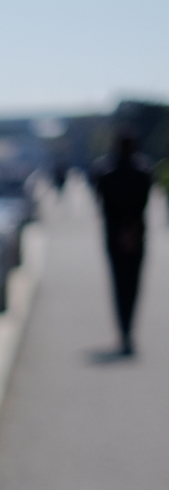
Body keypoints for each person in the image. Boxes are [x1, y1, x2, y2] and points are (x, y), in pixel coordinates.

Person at [92, 132, 153, 355]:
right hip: (136, 235)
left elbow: (102, 205)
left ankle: (124, 330)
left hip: (115, 236)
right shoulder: (143, 171)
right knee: (134, 285)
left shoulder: (106, 173)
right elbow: (143, 205)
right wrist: (131, 228)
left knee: (119, 284)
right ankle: (129, 330)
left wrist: (121, 228)